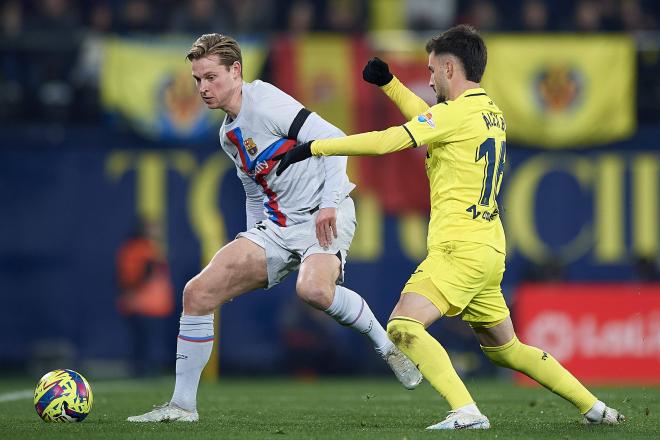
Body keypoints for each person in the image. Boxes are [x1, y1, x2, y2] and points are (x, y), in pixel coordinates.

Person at [275, 25, 624, 430]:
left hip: (458, 248)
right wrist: (389, 84)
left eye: (430, 71)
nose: (428, 79)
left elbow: (390, 141)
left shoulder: (454, 114)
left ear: (448, 68)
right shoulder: (490, 111)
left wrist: (315, 147)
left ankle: (467, 412)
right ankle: (596, 409)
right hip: (489, 248)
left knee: (403, 326)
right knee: (506, 349)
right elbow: (432, 120)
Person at [127, 33, 421, 423]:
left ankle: (386, 347)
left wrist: (330, 203)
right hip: (277, 227)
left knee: (314, 290)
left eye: (210, 77)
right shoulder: (227, 135)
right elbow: (254, 189)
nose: (202, 88)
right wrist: (254, 237)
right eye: (198, 79)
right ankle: (182, 407)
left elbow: (333, 137)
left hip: (323, 210)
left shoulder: (265, 101)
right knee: (197, 293)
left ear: (236, 71)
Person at [116, 219, 175, 377]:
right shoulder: (141, 249)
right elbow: (130, 278)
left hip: (151, 306)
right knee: (144, 342)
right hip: (143, 306)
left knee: (144, 342)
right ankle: (143, 370)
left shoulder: (147, 249)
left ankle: (145, 369)